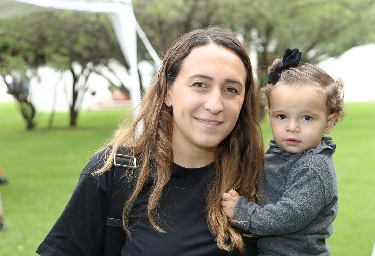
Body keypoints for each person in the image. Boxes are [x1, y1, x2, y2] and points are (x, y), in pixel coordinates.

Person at [37, 26, 265, 256]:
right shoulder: (115, 172)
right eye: (199, 84)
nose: (215, 105)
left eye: (231, 89)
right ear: (167, 92)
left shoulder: (260, 178)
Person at [221, 48, 346, 256]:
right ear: (269, 113)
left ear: (329, 122)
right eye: (282, 116)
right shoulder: (279, 152)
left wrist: (242, 212)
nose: (292, 127)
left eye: (306, 118)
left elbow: (289, 216)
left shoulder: (313, 167)